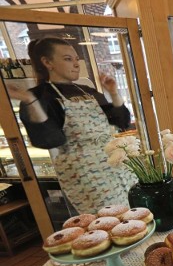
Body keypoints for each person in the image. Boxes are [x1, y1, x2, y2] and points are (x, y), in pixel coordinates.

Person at [7, 37, 137, 215]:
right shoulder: (39, 96)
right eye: (68, 59)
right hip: (86, 172)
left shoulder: (87, 91)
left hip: (117, 162)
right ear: (47, 62)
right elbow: (50, 139)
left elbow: (121, 122)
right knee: (108, 218)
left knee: (136, 208)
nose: (76, 64)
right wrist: (31, 102)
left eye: (76, 59)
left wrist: (113, 92)